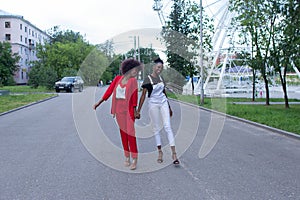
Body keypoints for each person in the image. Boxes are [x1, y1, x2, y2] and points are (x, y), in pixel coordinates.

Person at [93, 58, 142, 170]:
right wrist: (98, 103)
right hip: (119, 110)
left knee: (130, 133)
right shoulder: (117, 79)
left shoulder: (133, 81)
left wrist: (135, 111)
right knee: (123, 133)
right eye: (134, 69)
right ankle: (126, 156)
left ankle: (134, 158)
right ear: (128, 69)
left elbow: (134, 97)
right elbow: (109, 92)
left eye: (137, 70)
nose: (136, 72)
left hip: (129, 110)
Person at [136, 57, 179, 165]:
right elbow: (143, 96)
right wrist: (138, 110)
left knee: (167, 127)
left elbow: (164, 93)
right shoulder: (147, 80)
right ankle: (160, 152)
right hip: (153, 104)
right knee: (156, 128)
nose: (160, 69)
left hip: (163, 102)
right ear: (154, 67)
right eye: (158, 67)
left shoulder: (161, 78)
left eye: (161, 67)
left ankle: (174, 154)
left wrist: (169, 107)